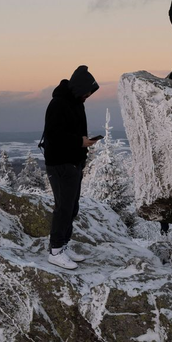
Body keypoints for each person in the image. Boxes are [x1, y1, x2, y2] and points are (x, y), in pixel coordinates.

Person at [40, 65, 100, 270]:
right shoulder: (57, 104)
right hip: (60, 164)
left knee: (72, 208)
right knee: (63, 209)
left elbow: (75, 133)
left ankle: (63, 245)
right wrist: (79, 142)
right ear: (78, 88)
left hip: (74, 163)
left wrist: (83, 145)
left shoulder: (76, 103)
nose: (88, 96)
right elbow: (53, 137)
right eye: (87, 92)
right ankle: (55, 251)